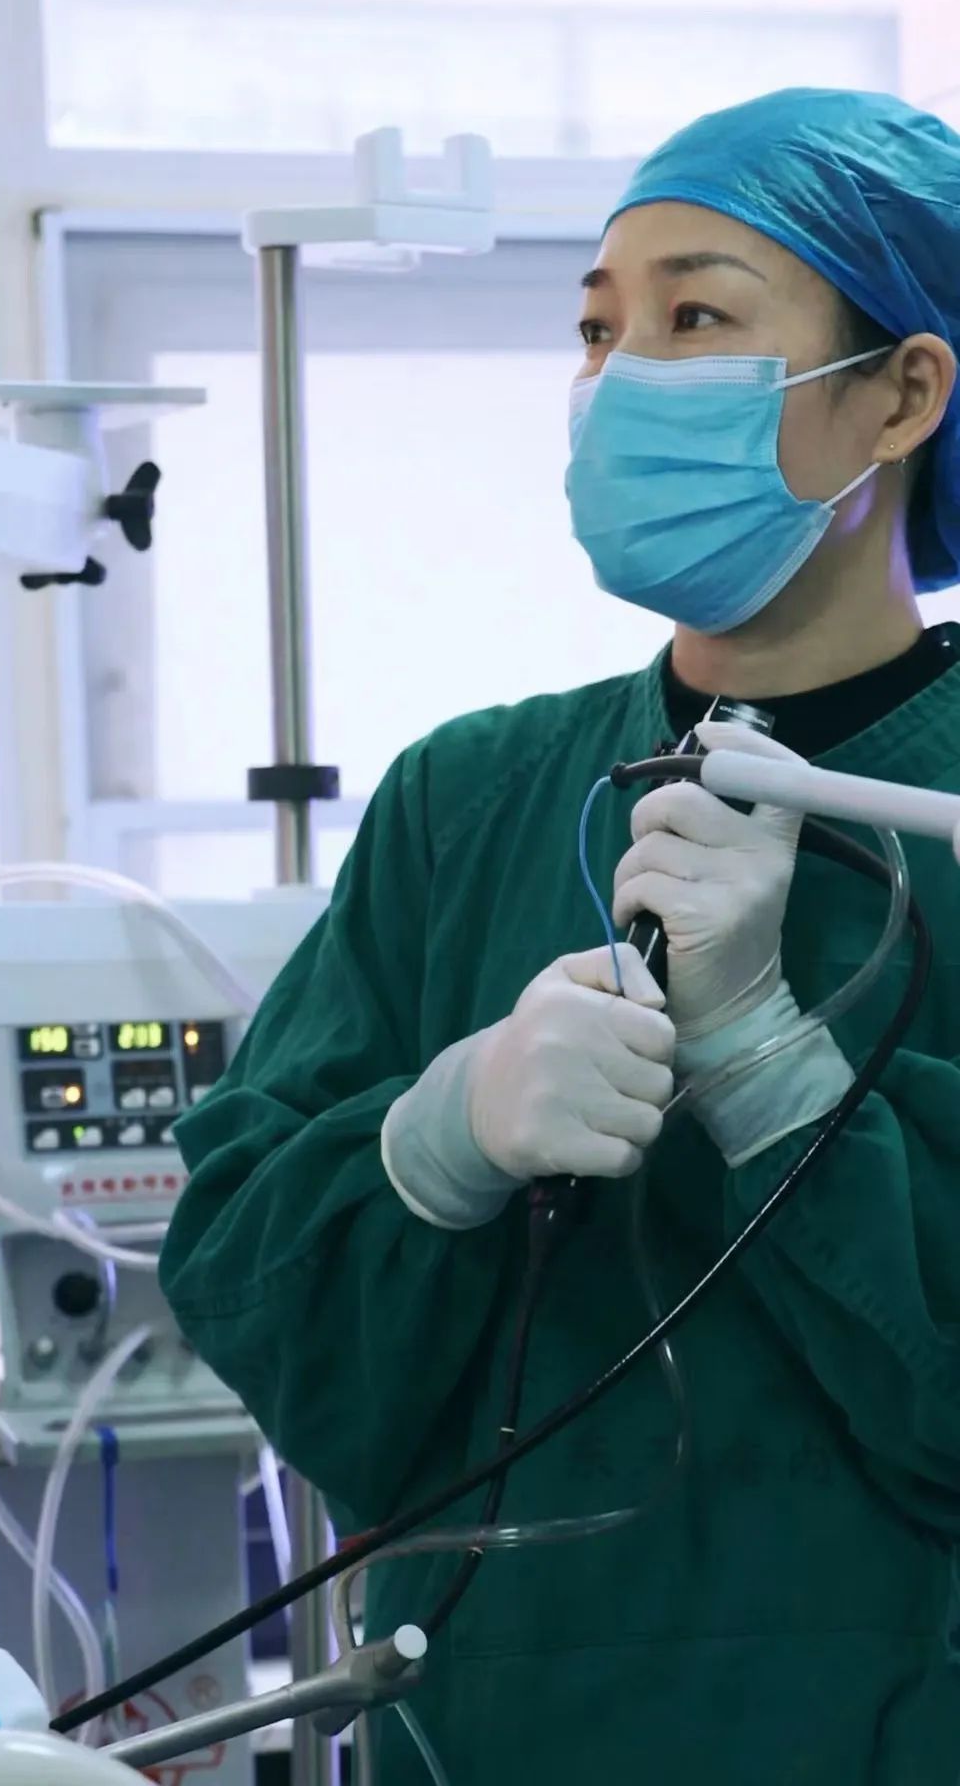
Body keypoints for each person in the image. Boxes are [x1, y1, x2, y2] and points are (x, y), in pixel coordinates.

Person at [160, 89, 960, 1784]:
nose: (622, 378)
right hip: (498, 1734)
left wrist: (780, 1077)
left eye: (697, 319)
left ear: (902, 392)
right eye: (599, 331)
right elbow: (252, 1283)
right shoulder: (471, 800)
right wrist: (432, 1142)